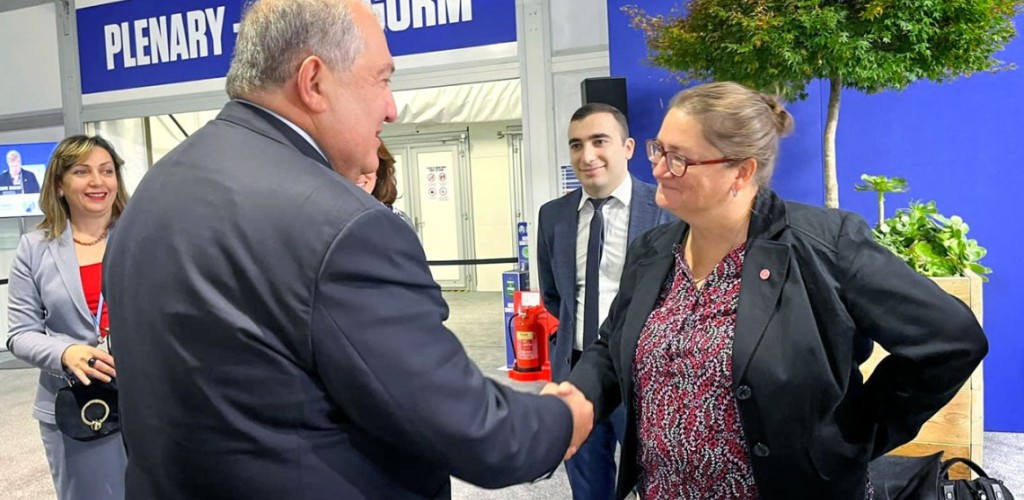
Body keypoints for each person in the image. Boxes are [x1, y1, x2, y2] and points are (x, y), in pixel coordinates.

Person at [102, 1, 592, 498]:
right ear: (314, 82)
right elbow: (474, 431)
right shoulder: (341, 226)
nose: (392, 107)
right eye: (382, 79)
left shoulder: (154, 192)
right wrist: (563, 417)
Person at [564, 81, 988, 499]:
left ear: (741, 172)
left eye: (679, 159)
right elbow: (610, 343)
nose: (657, 169)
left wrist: (854, 433)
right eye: (659, 149)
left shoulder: (824, 245)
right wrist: (581, 394)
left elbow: (952, 340)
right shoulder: (652, 250)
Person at [536, 103, 671, 500]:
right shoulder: (553, 217)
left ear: (627, 147)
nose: (587, 155)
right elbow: (554, 294)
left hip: (645, 377)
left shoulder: (665, 211)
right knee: (588, 488)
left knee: (657, 485)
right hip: (577, 374)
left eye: (599, 141)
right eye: (576, 145)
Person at [6, 135, 130, 500]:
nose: (98, 181)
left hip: (150, 398)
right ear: (60, 184)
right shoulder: (35, 247)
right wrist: (65, 354)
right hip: (79, 405)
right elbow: (20, 333)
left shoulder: (144, 231)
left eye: (106, 171)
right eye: (82, 171)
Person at [356, 143, 415, 228]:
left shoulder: (400, 220)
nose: (358, 174)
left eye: (367, 164)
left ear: (380, 171)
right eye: (346, 165)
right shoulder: (331, 223)